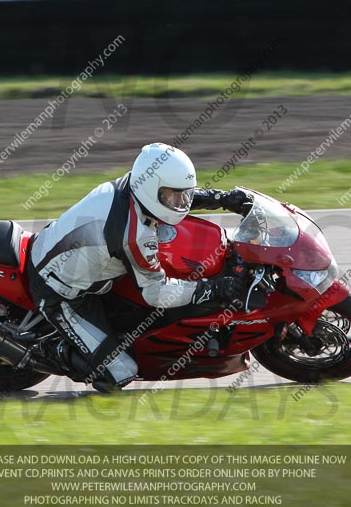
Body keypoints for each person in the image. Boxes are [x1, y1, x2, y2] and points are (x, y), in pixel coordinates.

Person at [27, 142, 252, 391]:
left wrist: (222, 199)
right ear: (151, 188)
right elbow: (156, 293)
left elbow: (172, 200)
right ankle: (48, 350)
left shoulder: (133, 185)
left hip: (72, 255)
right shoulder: (134, 234)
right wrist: (212, 289)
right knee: (120, 371)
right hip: (60, 291)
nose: (181, 202)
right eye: (173, 195)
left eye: (183, 194)